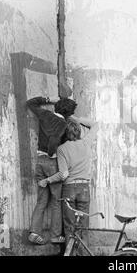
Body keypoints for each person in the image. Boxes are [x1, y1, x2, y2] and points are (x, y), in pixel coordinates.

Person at [38, 116, 98, 247]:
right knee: (83, 226)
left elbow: (63, 174)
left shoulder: (62, 149)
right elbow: (95, 124)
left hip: (69, 189)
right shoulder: (86, 143)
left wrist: (47, 180)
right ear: (79, 132)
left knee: (70, 227)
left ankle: (70, 252)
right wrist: (77, 119)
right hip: (84, 188)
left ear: (65, 133)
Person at [26, 96, 77, 245]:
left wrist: (50, 99)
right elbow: (54, 140)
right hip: (52, 162)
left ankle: (34, 232)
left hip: (39, 161)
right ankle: (55, 236)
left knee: (41, 201)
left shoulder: (45, 114)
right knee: (56, 201)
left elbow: (30, 103)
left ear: (56, 107)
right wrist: (51, 152)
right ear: (68, 114)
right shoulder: (63, 124)